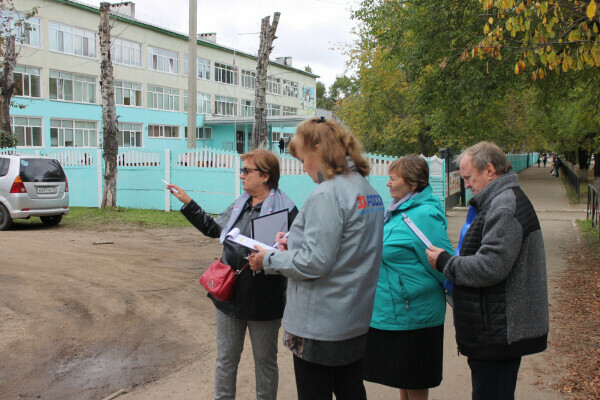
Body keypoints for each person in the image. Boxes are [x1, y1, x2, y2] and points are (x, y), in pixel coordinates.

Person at [248, 117, 385, 400]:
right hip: (353, 317)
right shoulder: (368, 192)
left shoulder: (328, 193)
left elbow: (315, 262)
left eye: (302, 159)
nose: (303, 167)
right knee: (350, 389)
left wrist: (269, 259)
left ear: (318, 149)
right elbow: (348, 247)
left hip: (320, 324)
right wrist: (295, 241)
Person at [167, 149, 298, 400]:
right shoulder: (240, 204)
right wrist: (188, 202)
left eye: (246, 171)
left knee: (265, 363)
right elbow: (213, 229)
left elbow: (298, 253)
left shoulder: (288, 210)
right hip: (229, 296)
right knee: (226, 359)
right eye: (242, 170)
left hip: (265, 299)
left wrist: (270, 261)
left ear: (265, 176)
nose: (241, 176)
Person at [425, 142, 548, 400]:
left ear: (490, 171)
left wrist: (446, 262)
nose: (466, 184)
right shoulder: (499, 201)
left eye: (468, 177)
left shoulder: (503, 206)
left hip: (499, 331)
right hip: (494, 327)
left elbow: (490, 267)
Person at [363, 155, 454, 400]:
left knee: (414, 379)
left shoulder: (423, 215)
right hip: (396, 313)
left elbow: (445, 263)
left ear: (412, 183)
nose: (388, 183)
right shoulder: (397, 210)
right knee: (403, 377)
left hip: (415, 314)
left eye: (393, 178)